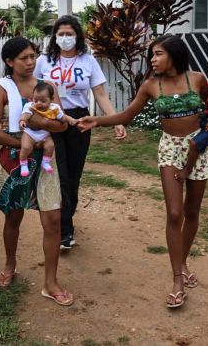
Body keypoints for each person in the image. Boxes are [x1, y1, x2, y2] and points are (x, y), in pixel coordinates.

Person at [78, 35, 208, 309]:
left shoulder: (197, 79)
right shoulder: (151, 85)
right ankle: (177, 280)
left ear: (173, 54)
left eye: (158, 54)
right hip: (170, 150)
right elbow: (126, 116)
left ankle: (182, 261)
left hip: (198, 147)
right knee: (174, 213)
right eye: (152, 55)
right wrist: (98, 120)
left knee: (192, 212)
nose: (153, 59)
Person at [0, 37, 74, 306]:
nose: (30, 61)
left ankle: (51, 282)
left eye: (33, 56)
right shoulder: (1, 89)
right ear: (9, 62)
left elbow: (62, 126)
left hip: (45, 159)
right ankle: (10, 265)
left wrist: (34, 126)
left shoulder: (46, 87)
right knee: (13, 217)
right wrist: (24, 143)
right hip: (15, 158)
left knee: (53, 220)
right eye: (23, 57)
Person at [34, 15, 126, 250]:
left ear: (78, 36)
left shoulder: (88, 60)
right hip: (51, 119)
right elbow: (31, 90)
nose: (65, 38)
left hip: (80, 120)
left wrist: (114, 120)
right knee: (59, 174)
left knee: (74, 175)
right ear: (54, 36)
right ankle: (65, 231)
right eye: (61, 34)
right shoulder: (44, 61)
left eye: (70, 34)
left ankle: (67, 218)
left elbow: (101, 94)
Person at [18, 83, 77, 177]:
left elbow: (62, 117)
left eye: (43, 101)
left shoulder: (54, 108)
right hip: (30, 133)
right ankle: (23, 164)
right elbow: (26, 114)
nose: (39, 103)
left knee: (50, 145)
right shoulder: (30, 106)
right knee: (25, 147)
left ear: (51, 99)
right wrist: (22, 120)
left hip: (44, 134)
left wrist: (70, 119)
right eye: (36, 100)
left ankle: (45, 162)